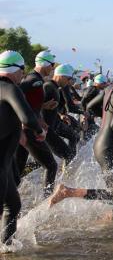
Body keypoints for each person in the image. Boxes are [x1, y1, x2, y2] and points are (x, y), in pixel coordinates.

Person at [49, 62, 113, 206]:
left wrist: (107, 115)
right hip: (108, 148)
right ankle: (67, 192)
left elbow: (90, 106)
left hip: (101, 145)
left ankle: (109, 214)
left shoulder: (112, 87)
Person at [0, 50, 45, 245]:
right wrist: (39, 131)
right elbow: (27, 117)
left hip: (5, 161)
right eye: (22, 70)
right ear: (15, 70)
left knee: (13, 204)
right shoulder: (10, 88)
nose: (23, 75)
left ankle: (6, 247)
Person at [14, 50, 58, 196]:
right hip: (29, 130)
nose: (52, 68)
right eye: (52, 64)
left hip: (26, 128)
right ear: (45, 63)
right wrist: (28, 122)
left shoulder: (35, 80)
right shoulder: (35, 80)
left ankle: (7, 201)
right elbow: (16, 95)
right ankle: (47, 201)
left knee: (18, 170)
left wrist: (41, 112)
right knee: (51, 166)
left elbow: (28, 102)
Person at [43, 64, 78, 166]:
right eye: (69, 78)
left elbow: (52, 107)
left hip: (55, 123)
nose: (70, 81)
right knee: (51, 165)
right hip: (46, 129)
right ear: (61, 76)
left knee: (73, 136)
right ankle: (66, 177)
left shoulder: (56, 88)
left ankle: (67, 172)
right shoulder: (48, 87)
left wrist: (60, 115)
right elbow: (31, 105)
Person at [80, 74, 108, 141]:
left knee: (94, 134)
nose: (105, 85)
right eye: (104, 83)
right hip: (86, 117)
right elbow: (83, 101)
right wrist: (84, 115)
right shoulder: (92, 89)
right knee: (83, 139)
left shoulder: (96, 90)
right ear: (99, 83)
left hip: (89, 117)